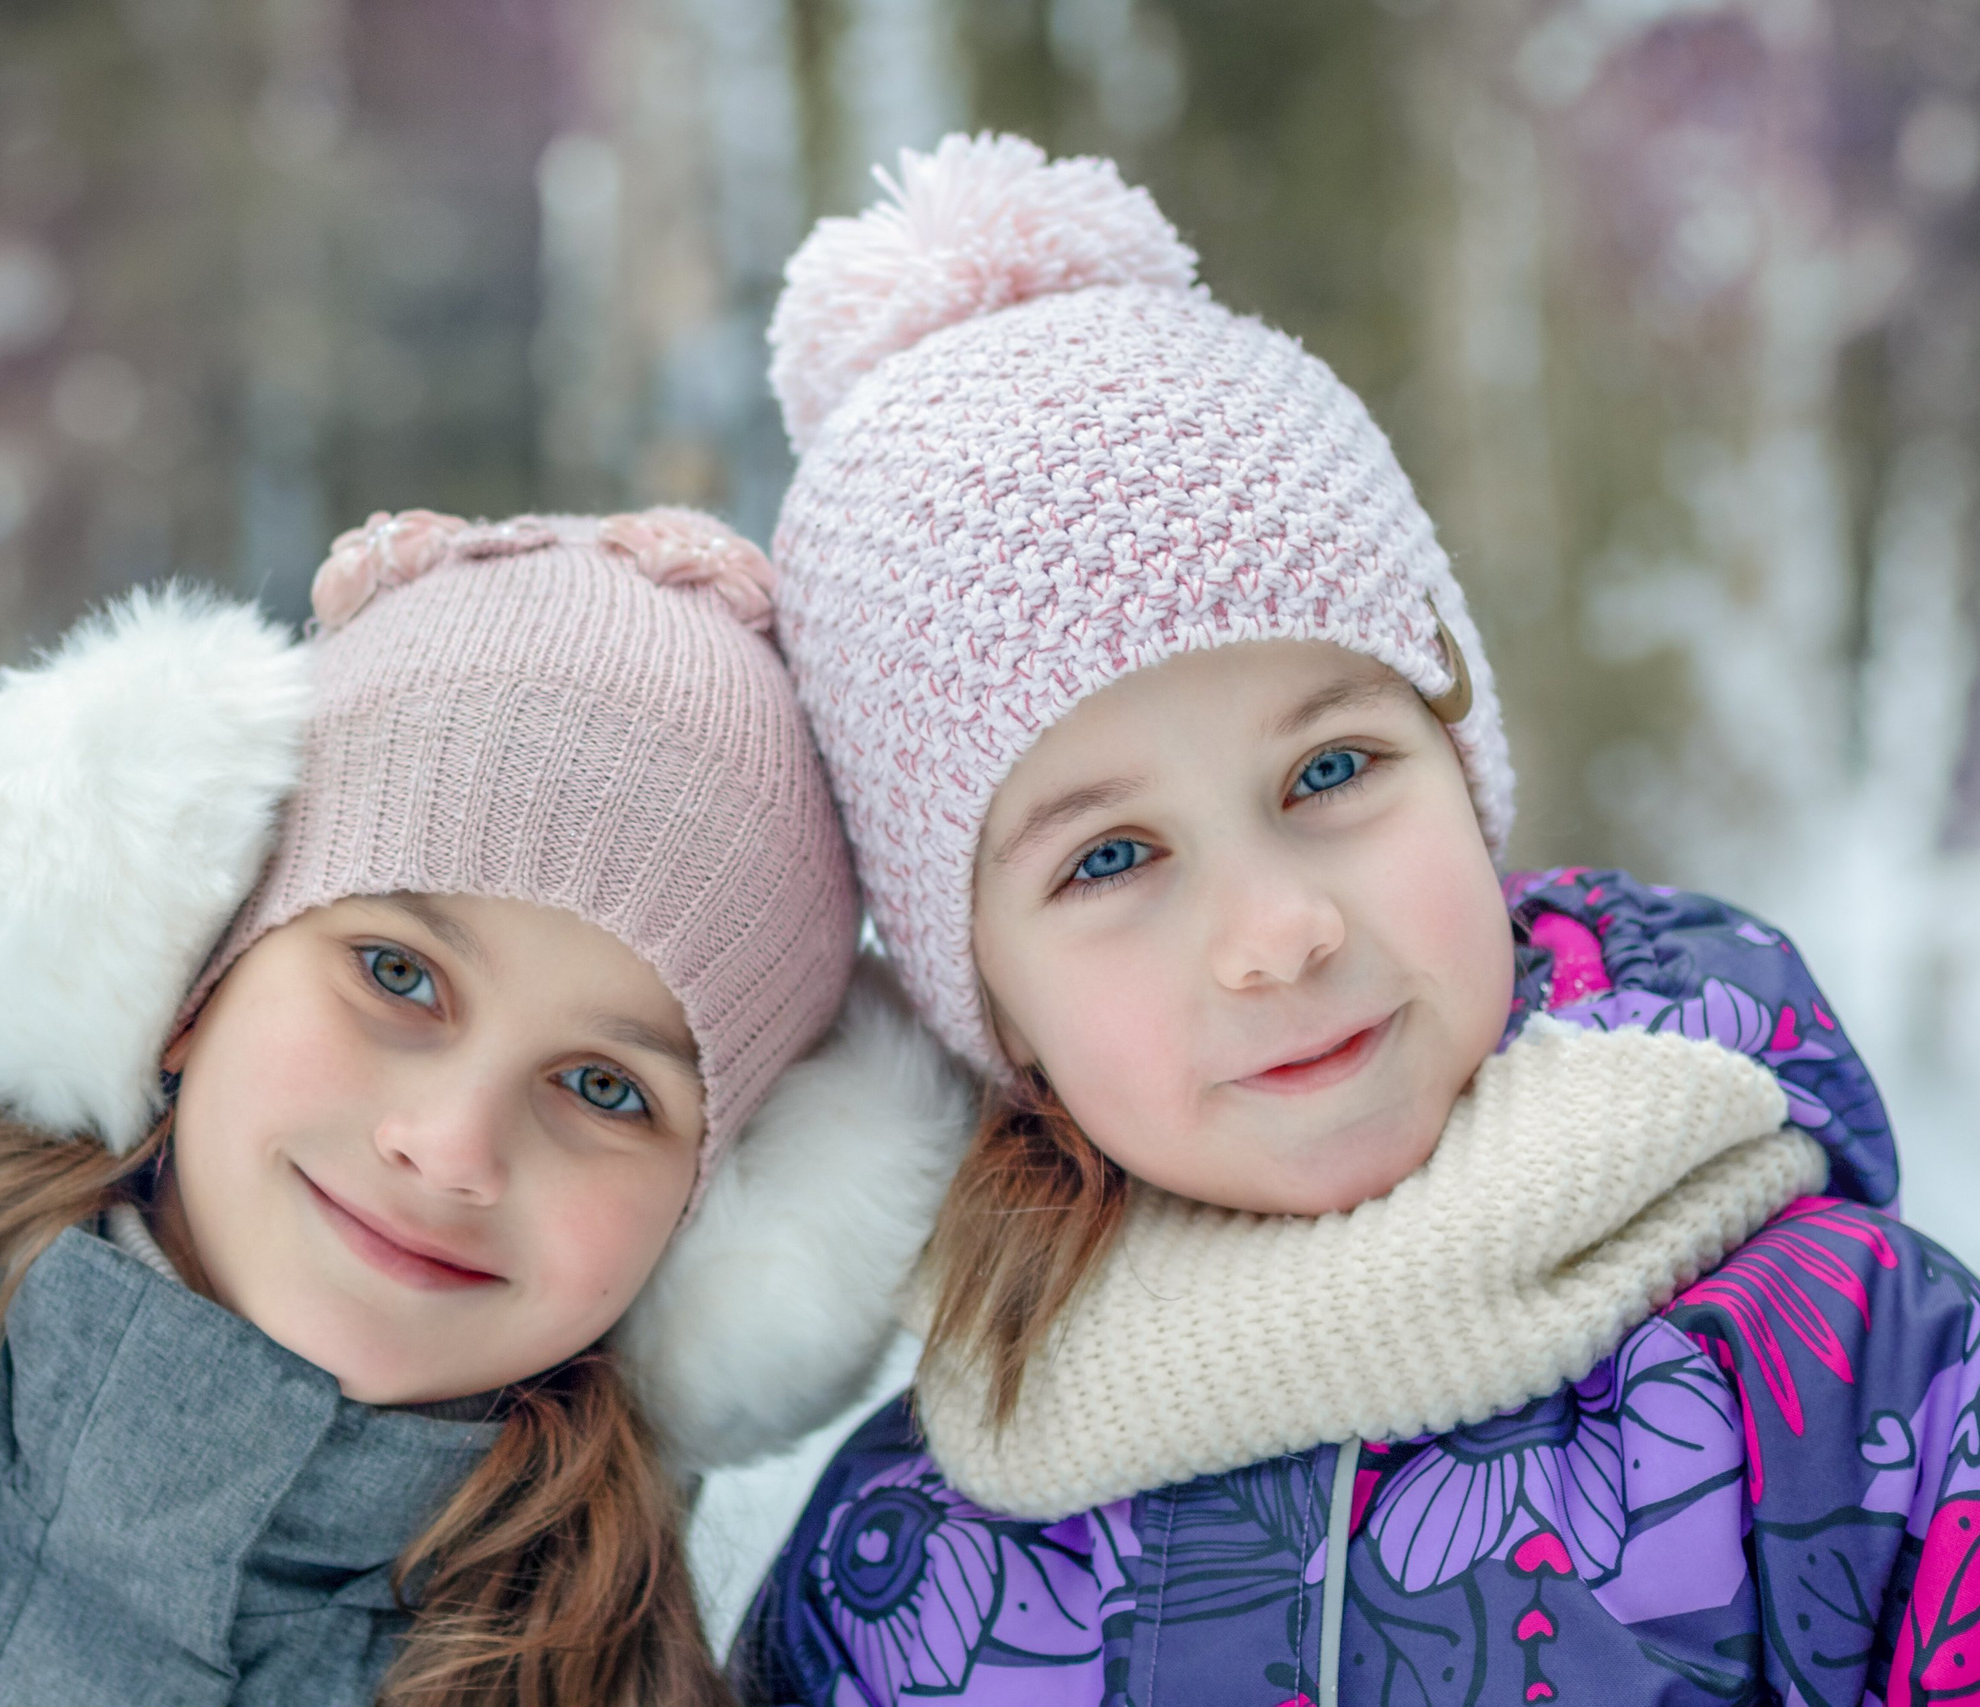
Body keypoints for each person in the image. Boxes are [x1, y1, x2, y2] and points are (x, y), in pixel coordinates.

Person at [734, 133, 1980, 1706]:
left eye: (1331, 768)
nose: (1277, 931)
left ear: (1466, 776)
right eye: (1110, 860)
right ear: (984, 999)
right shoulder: (900, 1577)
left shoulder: (1845, 1378)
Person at [0, 506, 974, 1707]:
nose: (449, 1147)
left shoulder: (596, 1670)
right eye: (396, 972)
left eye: (605, 1088)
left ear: (718, 1228)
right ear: (189, 961)